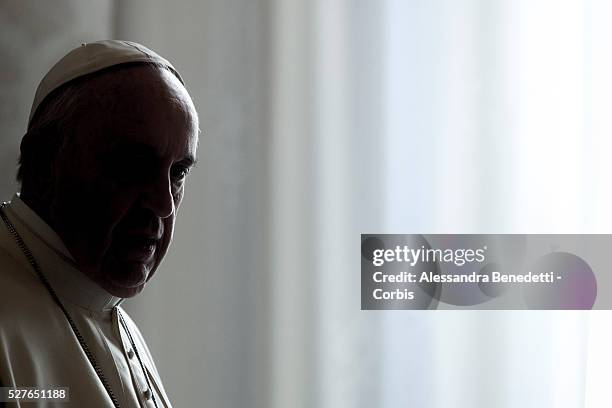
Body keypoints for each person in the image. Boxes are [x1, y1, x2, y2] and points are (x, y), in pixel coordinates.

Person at [0, 40, 199, 407]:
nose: (163, 204)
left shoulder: (111, 315)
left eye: (178, 172)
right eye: (135, 164)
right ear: (45, 163)